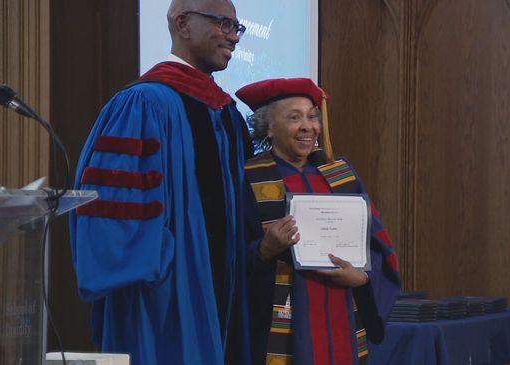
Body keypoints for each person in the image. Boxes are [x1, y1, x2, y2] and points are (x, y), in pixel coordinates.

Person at [69, 1, 253, 364]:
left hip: (223, 291)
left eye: (237, 27)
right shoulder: (142, 103)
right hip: (166, 294)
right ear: (183, 24)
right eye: (223, 24)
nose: (233, 37)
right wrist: (170, 265)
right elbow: (111, 209)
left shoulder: (225, 111)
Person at [236, 78, 400, 365]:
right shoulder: (250, 178)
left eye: (312, 116)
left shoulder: (342, 175)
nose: (307, 126)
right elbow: (224, 257)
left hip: (342, 316)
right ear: (268, 127)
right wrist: (263, 250)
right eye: (294, 117)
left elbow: (377, 246)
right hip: (281, 321)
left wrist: (362, 278)